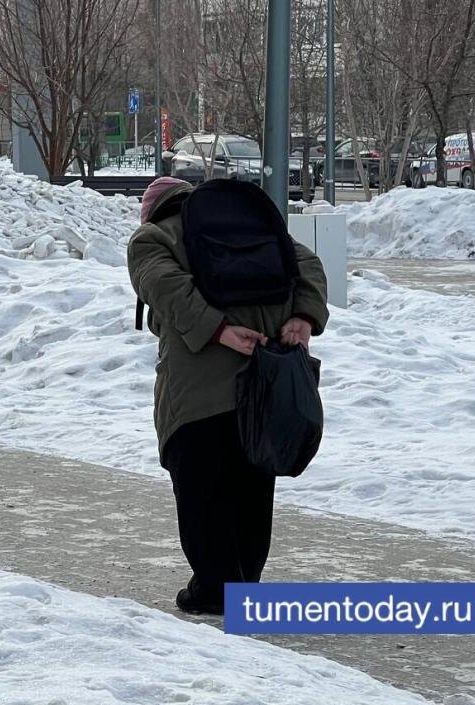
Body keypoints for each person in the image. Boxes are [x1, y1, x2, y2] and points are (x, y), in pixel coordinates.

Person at [127, 176, 329, 615]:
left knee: (200, 491)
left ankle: (215, 590)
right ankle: (244, 584)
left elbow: (164, 285)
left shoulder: (153, 238)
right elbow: (308, 264)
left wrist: (217, 329)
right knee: (253, 486)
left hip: (198, 390)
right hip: (266, 384)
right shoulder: (250, 225)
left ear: (151, 211)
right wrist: (303, 317)